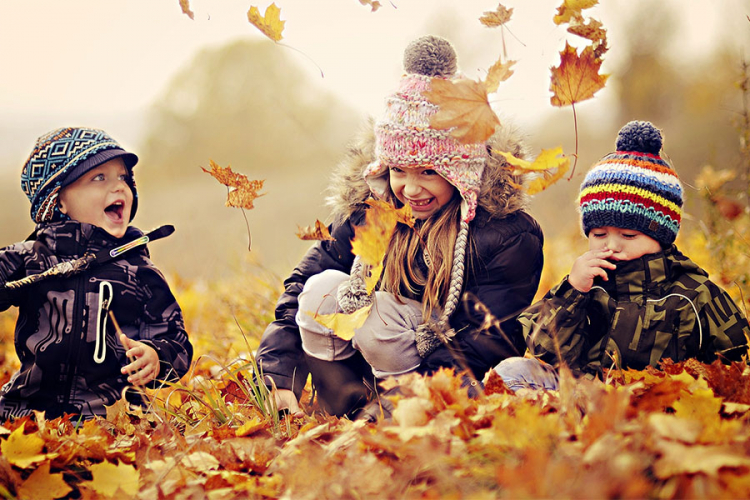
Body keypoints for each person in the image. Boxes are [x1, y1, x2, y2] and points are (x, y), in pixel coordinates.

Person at [257, 35, 544, 418]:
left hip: (447, 382)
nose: (410, 188)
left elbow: (484, 342)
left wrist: (402, 407)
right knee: (320, 291)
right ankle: (346, 406)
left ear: (462, 174)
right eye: (398, 171)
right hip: (368, 376)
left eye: (428, 171)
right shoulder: (372, 212)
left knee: (380, 320)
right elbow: (300, 286)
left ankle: (394, 413)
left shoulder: (503, 235)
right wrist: (279, 376)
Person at [495, 121, 749, 392]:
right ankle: (551, 428)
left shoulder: (693, 293)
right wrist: (572, 291)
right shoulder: (588, 284)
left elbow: (737, 362)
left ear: (661, 237)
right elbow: (545, 350)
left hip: (657, 406)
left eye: (628, 236)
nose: (612, 245)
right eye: (599, 235)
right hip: (586, 395)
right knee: (510, 371)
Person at [0, 127, 193, 420]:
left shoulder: (138, 270)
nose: (118, 187)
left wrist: (155, 356)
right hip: (27, 411)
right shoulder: (31, 257)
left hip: (112, 419)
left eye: (123, 178)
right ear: (58, 200)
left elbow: (176, 341)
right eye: (99, 178)